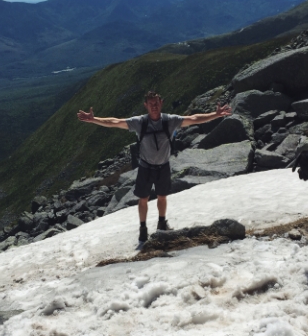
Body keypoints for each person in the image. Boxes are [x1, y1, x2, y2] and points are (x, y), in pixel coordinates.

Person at [77, 91, 232, 242]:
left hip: (163, 166)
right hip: (146, 167)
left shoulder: (169, 120)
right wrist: (94, 119)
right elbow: (115, 122)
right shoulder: (140, 122)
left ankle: (161, 222)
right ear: (146, 105)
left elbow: (193, 118)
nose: (154, 106)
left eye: (156, 103)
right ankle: (143, 229)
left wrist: (216, 115)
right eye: (151, 104)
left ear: (161, 103)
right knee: (143, 198)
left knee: (162, 197)